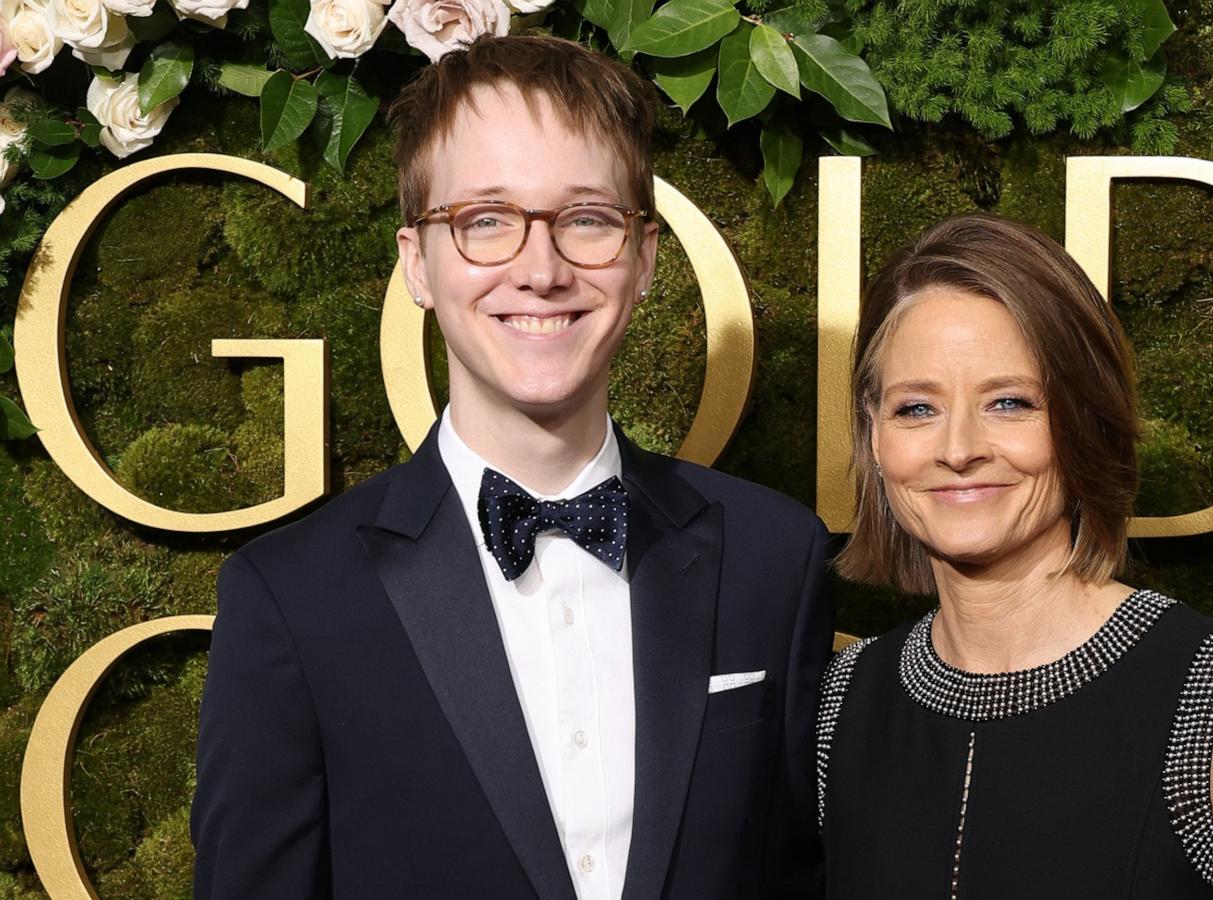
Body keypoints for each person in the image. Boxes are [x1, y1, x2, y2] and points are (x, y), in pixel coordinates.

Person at [191, 35, 832, 900]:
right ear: (418, 263)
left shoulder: (774, 556)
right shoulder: (292, 598)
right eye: (486, 220)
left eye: (587, 219)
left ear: (643, 259)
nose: (541, 269)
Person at [817, 214, 1213, 898]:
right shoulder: (842, 703)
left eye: (1010, 402)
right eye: (916, 409)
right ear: (873, 435)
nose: (958, 449)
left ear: (1085, 419)